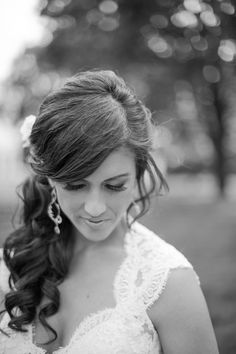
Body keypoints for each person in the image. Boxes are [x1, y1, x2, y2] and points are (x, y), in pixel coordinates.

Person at [0, 70, 219, 354]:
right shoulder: (15, 262)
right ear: (50, 179)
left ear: (138, 174)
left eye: (114, 186)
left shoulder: (168, 282)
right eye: (75, 185)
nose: (94, 208)